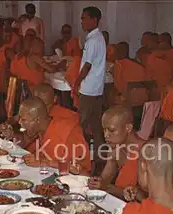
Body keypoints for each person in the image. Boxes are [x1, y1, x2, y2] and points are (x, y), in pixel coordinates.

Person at [19, 98, 91, 174]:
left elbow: (78, 169)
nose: (19, 122)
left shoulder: (69, 132)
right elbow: (24, 145)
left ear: (37, 120)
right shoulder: (40, 129)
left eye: (23, 119)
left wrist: (44, 162)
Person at [88, 106, 145, 200]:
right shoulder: (115, 150)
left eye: (111, 130)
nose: (106, 135)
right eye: (104, 130)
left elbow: (144, 198)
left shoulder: (147, 152)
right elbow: (104, 182)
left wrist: (106, 187)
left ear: (128, 128)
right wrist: (95, 183)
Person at [74, 6, 106, 162]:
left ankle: (79, 156)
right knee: (96, 124)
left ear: (94, 20)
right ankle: (100, 157)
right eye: (81, 18)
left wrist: (76, 83)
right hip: (97, 88)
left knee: (81, 123)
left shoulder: (93, 40)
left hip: (88, 88)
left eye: (84, 18)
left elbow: (87, 66)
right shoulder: (98, 38)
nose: (82, 21)